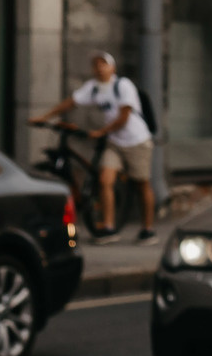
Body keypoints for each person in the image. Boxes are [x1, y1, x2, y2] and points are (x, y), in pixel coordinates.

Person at [31, 53, 157, 241]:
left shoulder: (123, 86)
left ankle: (147, 229)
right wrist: (45, 116)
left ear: (112, 68)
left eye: (103, 64)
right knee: (105, 180)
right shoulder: (93, 88)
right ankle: (108, 228)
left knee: (141, 184)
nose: (99, 68)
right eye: (95, 64)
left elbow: (124, 116)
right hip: (114, 142)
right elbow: (70, 102)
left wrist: (101, 132)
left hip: (136, 141)